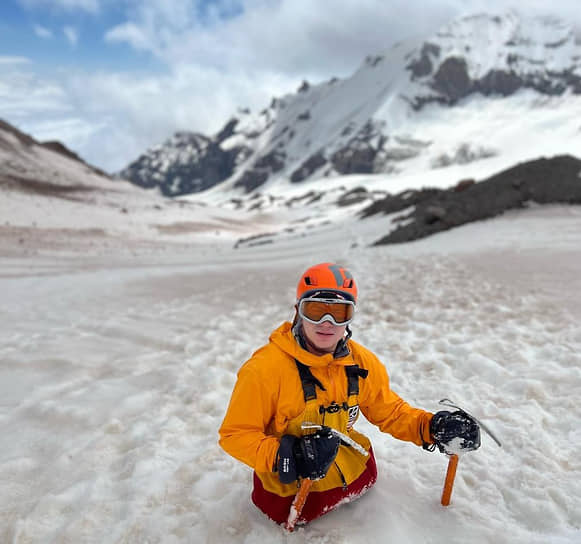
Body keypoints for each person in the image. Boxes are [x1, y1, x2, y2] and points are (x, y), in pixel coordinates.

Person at [218, 262, 480, 527]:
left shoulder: (361, 362)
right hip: (289, 496)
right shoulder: (264, 369)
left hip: (358, 475)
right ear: (298, 311)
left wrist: (431, 427)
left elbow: (389, 411)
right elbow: (235, 435)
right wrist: (288, 455)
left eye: (340, 312)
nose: (327, 323)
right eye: (317, 310)